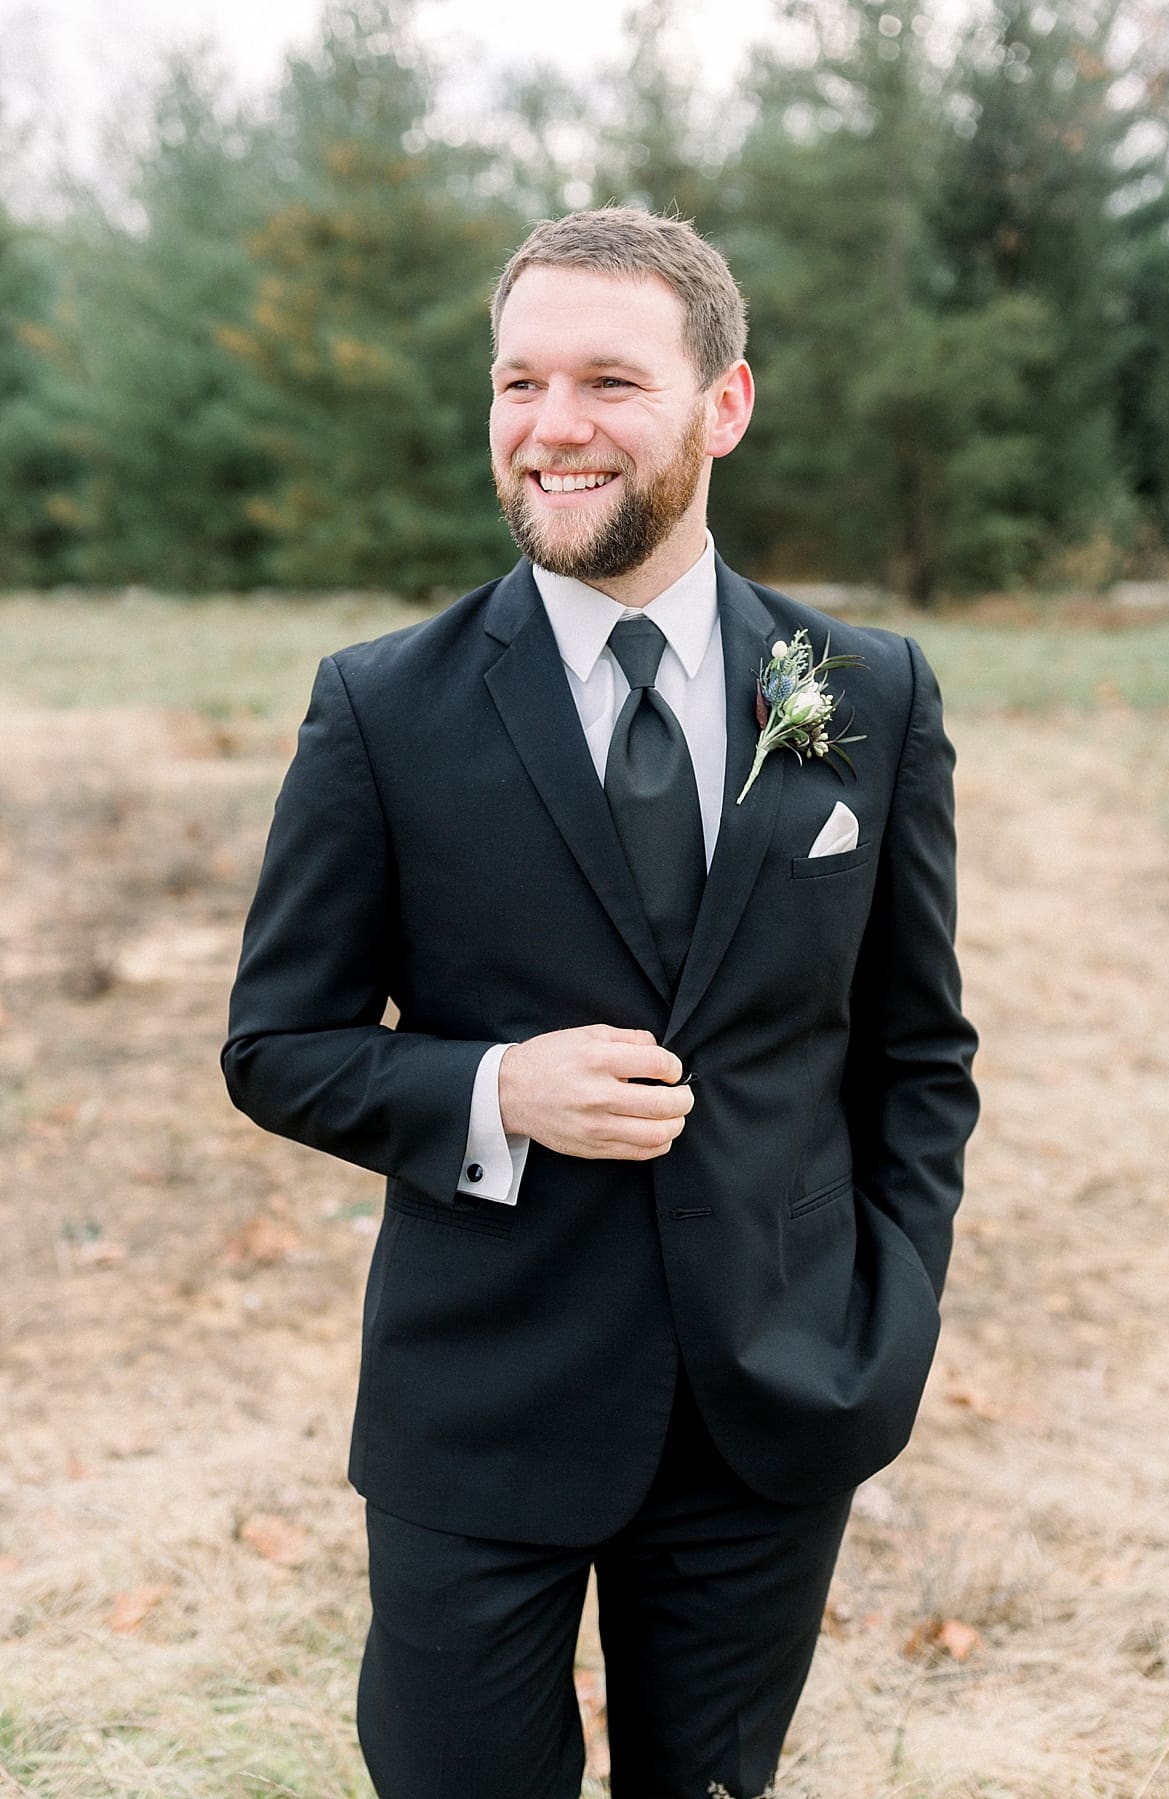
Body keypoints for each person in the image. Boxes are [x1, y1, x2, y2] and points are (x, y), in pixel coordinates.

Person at [222, 206, 979, 1799]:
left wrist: (889, 1314)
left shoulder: (872, 694)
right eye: (517, 383)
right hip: (479, 1407)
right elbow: (275, 1049)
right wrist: (495, 1090)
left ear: (726, 404)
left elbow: (916, 1052)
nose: (551, 429)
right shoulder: (382, 708)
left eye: (608, 383)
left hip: (771, 1403)